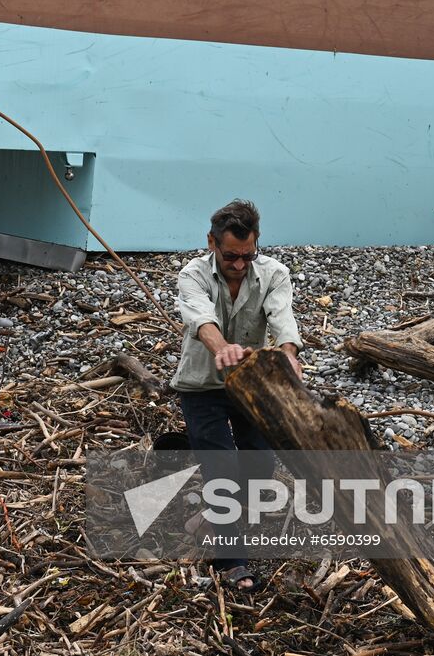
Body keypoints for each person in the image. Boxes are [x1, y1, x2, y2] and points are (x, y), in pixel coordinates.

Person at [172, 199, 303, 591]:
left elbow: (284, 321)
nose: (240, 265)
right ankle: (232, 563)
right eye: (231, 256)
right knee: (222, 468)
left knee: (260, 464)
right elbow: (200, 318)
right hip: (201, 385)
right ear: (212, 242)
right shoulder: (192, 275)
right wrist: (221, 347)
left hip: (249, 384)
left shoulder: (274, 273)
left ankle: (214, 514)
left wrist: (288, 356)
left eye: (248, 255)